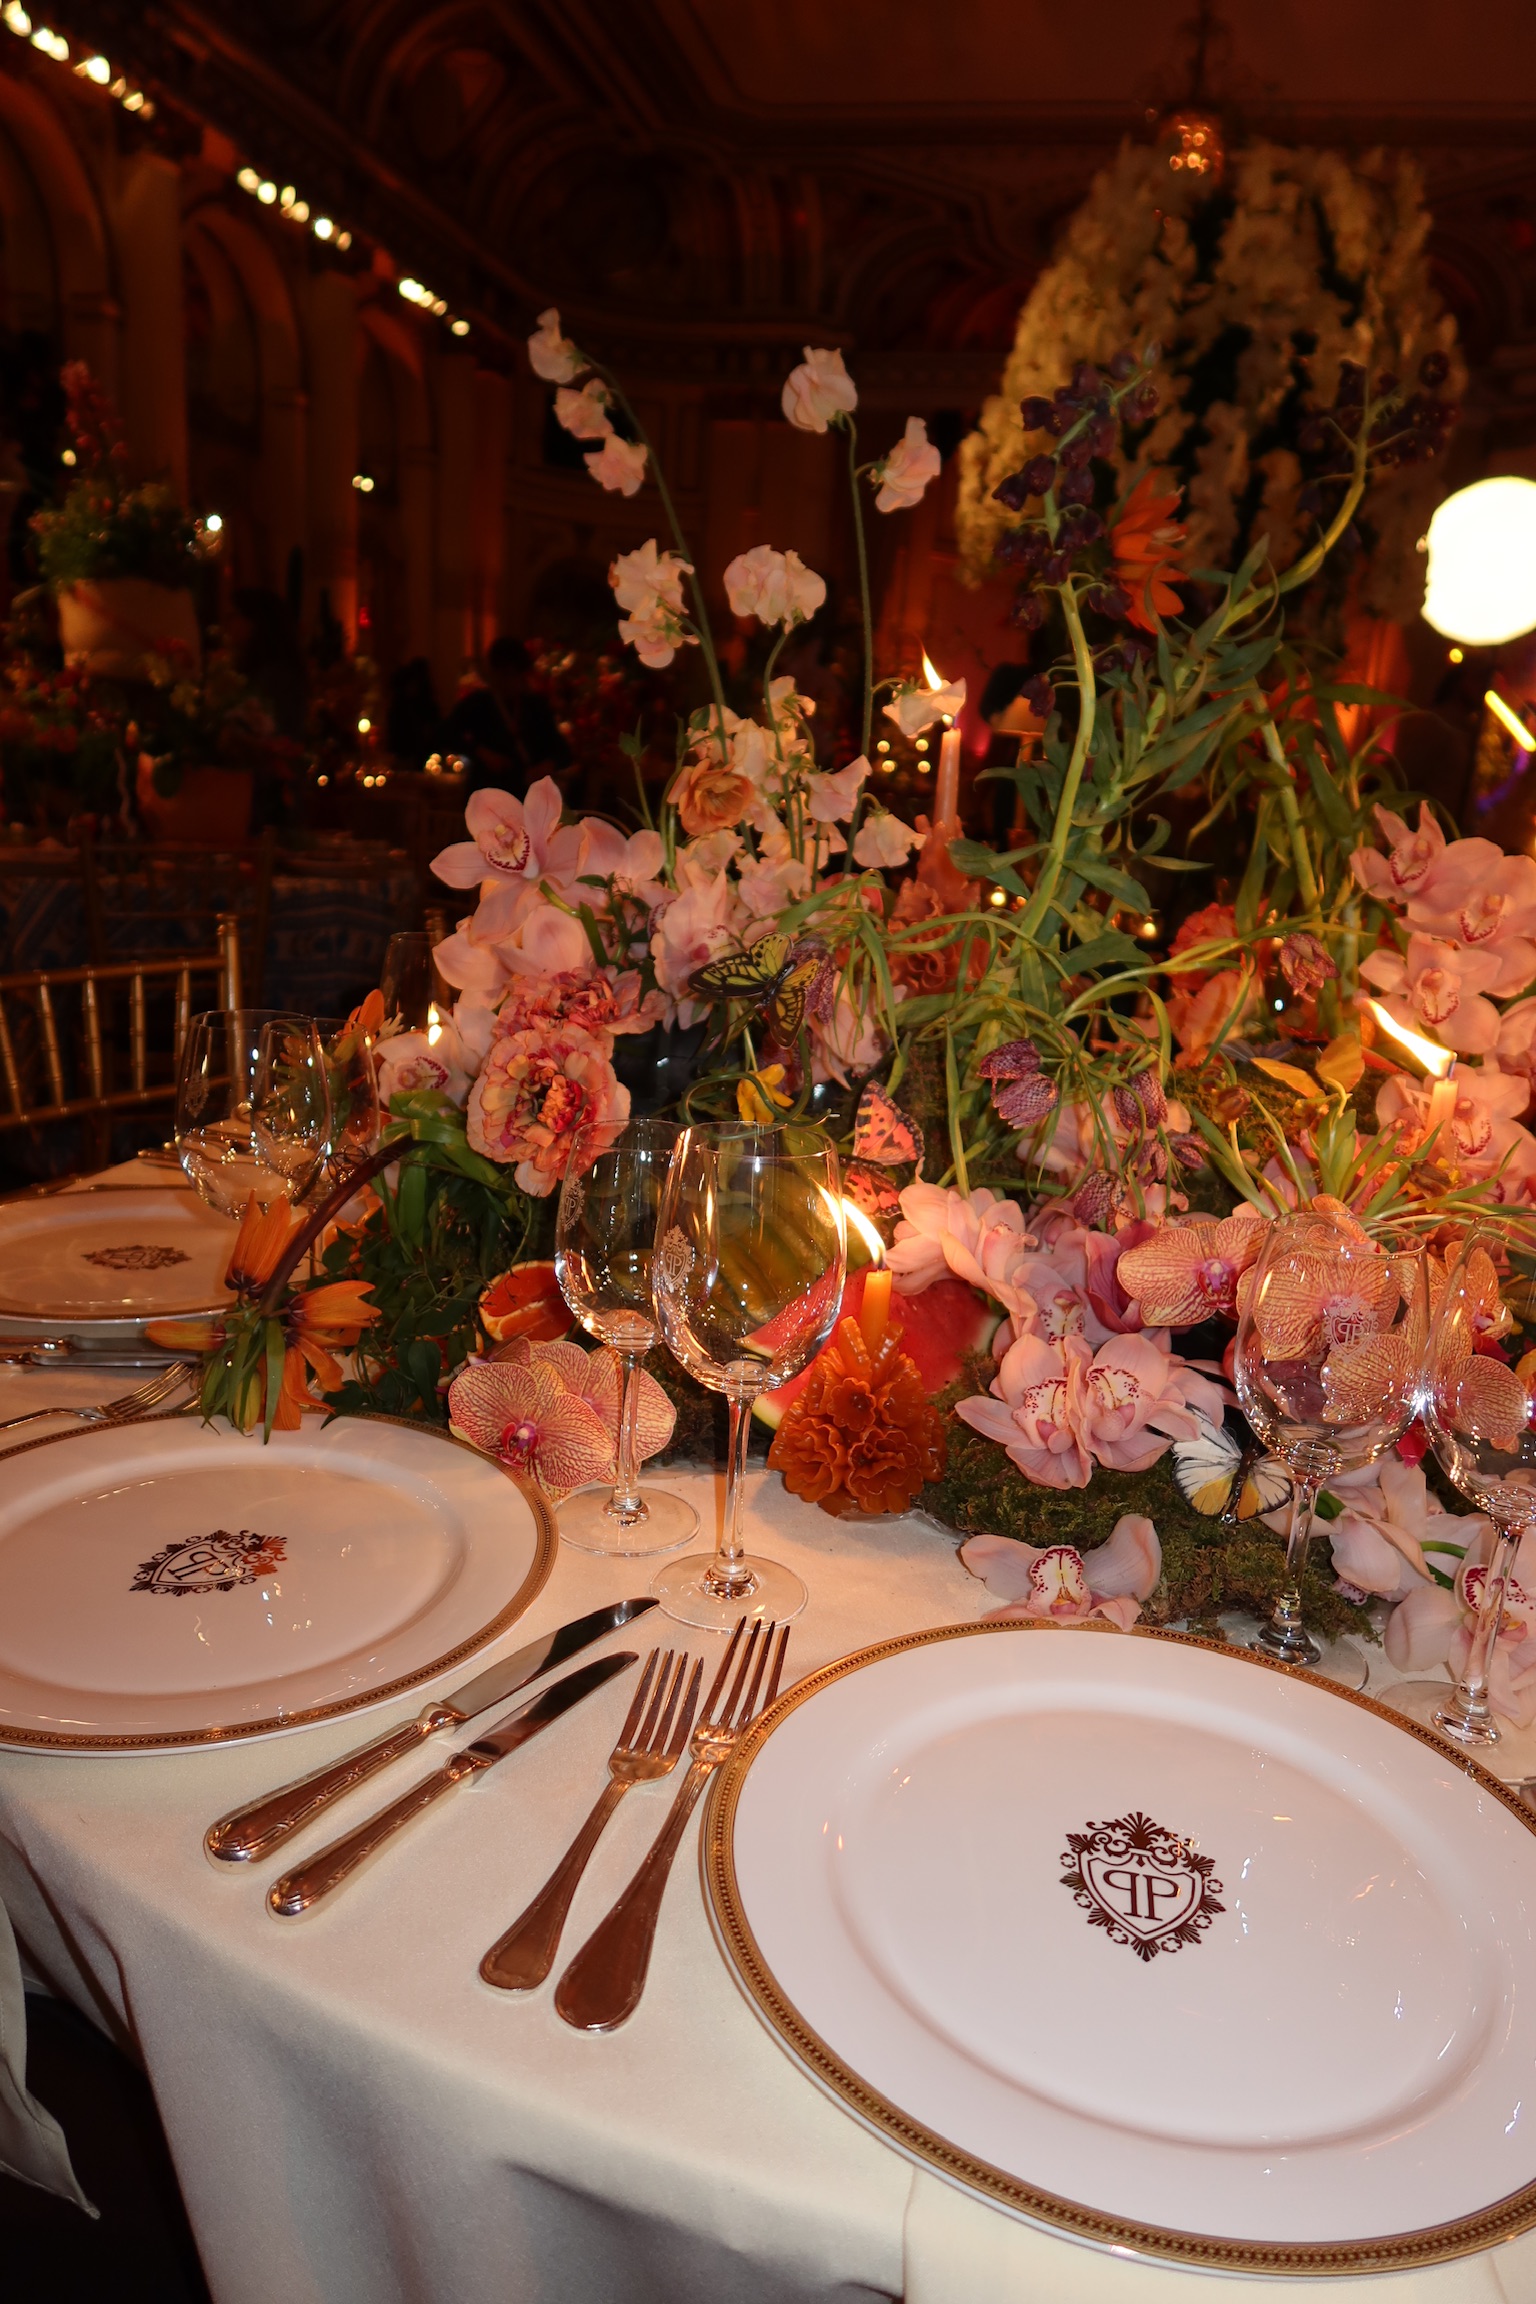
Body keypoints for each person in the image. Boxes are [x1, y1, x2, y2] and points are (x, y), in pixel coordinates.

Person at [444, 636, 570, 798]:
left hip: (526, 794)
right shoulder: (479, 704)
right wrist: (481, 752)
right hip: (487, 791)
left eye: (514, 675)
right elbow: (446, 732)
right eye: (504, 674)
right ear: (494, 673)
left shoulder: (535, 707)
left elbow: (562, 751)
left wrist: (546, 766)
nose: (509, 681)